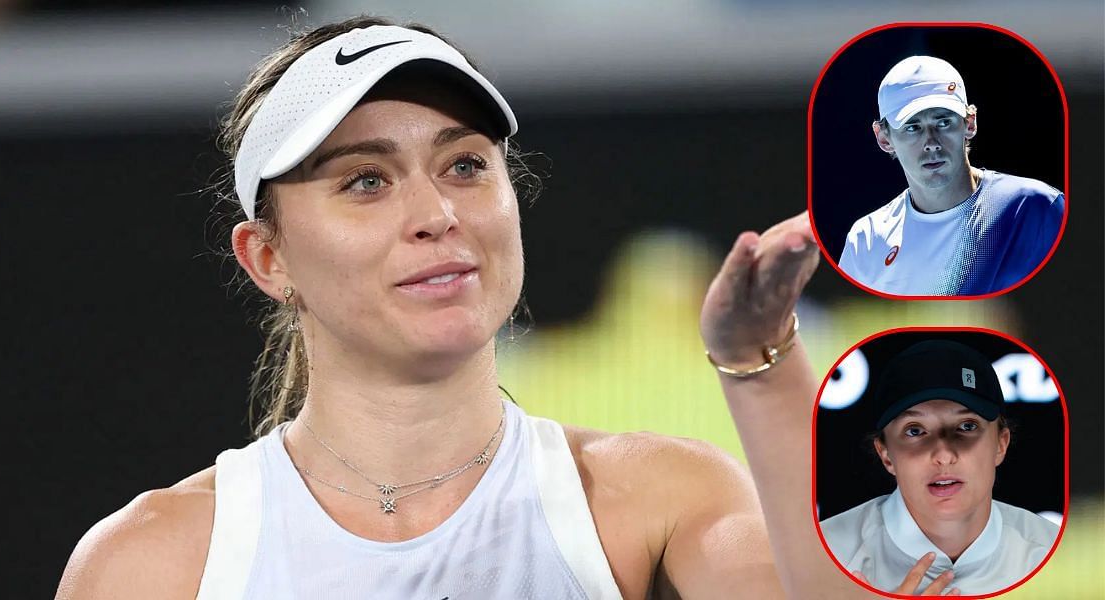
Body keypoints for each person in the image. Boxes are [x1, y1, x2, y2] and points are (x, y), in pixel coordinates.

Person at [55, 16, 868, 599]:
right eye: (366, 180)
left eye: (466, 165)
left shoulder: (659, 500)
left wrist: (761, 369)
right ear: (269, 259)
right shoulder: (153, 566)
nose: (437, 212)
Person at [820, 340, 1059, 596]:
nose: (944, 455)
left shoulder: (1052, 551)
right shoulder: (823, 555)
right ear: (886, 454)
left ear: (1001, 444)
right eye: (915, 431)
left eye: (966, 427)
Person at [836, 55, 1065, 297]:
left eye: (943, 122)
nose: (931, 143)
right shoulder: (866, 239)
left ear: (969, 123)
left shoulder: (1034, 207)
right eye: (913, 128)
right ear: (883, 138)